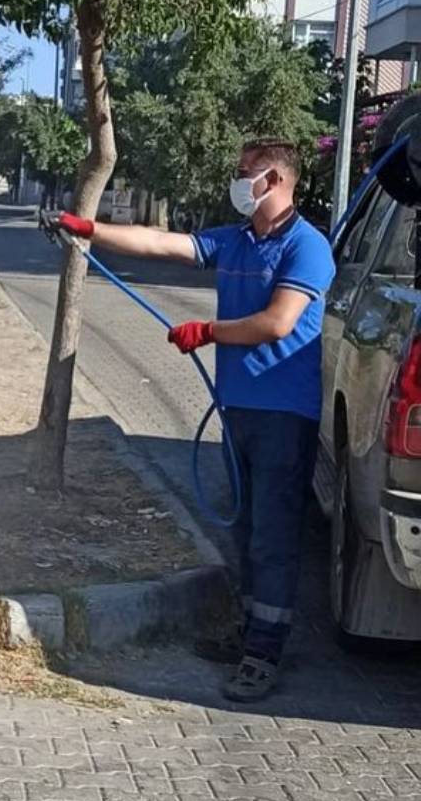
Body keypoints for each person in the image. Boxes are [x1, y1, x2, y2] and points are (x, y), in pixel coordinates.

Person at [52, 140, 335, 702]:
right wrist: (89, 230)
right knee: (246, 529)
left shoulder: (309, 247)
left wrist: (207, 332)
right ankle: (251, 630)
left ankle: (264, 653)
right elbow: (162, 242)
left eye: (245, 174)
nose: (237, 182)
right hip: (239, 410)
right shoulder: (235, 240)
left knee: (274, 537)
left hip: (283, 414)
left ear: (275, 180)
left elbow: (279, 323)